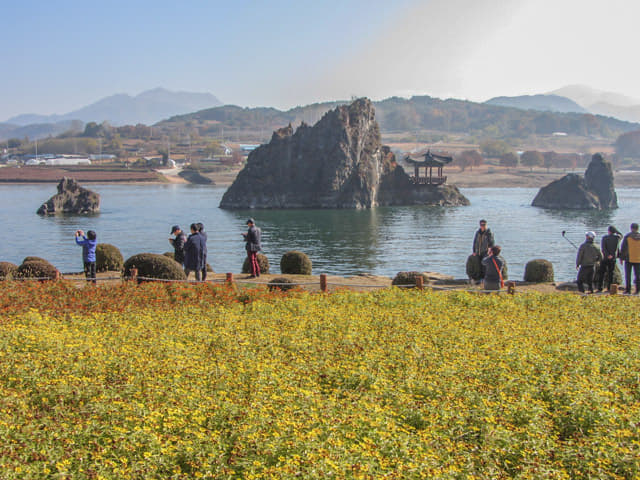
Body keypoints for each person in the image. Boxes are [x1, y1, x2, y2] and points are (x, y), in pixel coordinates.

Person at [597, 225, 622, 292]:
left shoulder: (604, 238)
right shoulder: (617, 238)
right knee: (611, 273)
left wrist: (607, 255)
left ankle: (600, 287)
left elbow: (603, 248)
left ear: (609, 231)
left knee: (602, 272)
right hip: (613, 258)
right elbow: (621, 235)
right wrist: (612, 255)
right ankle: (609, 287)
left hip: (604, 257)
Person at [619, 222, 640, 294]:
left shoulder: (627, 236)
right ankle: (637, 290)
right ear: (638, 228)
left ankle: (628, 290)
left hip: (628, 258)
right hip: (638, 259)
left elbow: (623, 248)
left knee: (628, 275)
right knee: (638, 275)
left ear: (631, 228)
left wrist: (621, 258)